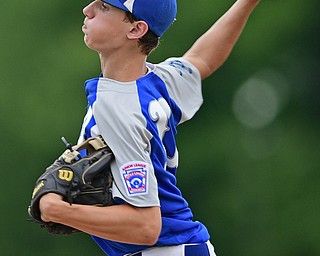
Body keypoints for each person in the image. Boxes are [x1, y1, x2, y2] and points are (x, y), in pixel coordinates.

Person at [39, 0, 261, 255]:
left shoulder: (119, 108)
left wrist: (60, 211)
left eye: (104, 7)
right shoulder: (159, 81)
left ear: (135, 30)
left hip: (163, 249)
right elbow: (202, 59)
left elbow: (146, 226)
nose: (87, 9)